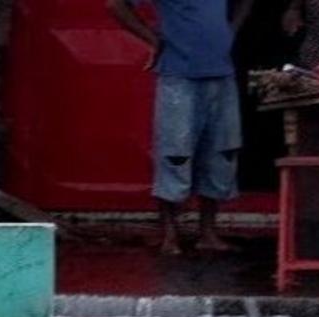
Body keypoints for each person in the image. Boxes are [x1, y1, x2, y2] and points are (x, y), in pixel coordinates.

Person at [107, 0, 253, 255]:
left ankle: (207, 233)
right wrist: (152, 38)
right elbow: (116, 5)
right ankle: (170, 234)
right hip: (179, 76)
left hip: (221, 73)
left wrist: (232, 29)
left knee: (220, 154)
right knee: (174, 154)